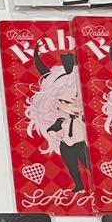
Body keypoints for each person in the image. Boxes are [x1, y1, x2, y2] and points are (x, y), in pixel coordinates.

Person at [24, 46, 90, 192]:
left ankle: (97, 184)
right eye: (65, 102)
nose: (72, 106)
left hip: (81, 144)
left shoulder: (83, 117)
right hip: (65, 145)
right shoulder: (60, 119)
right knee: (72, 167)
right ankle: (78, 185)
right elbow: (51, 129)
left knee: (89, 165)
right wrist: (56, 134)